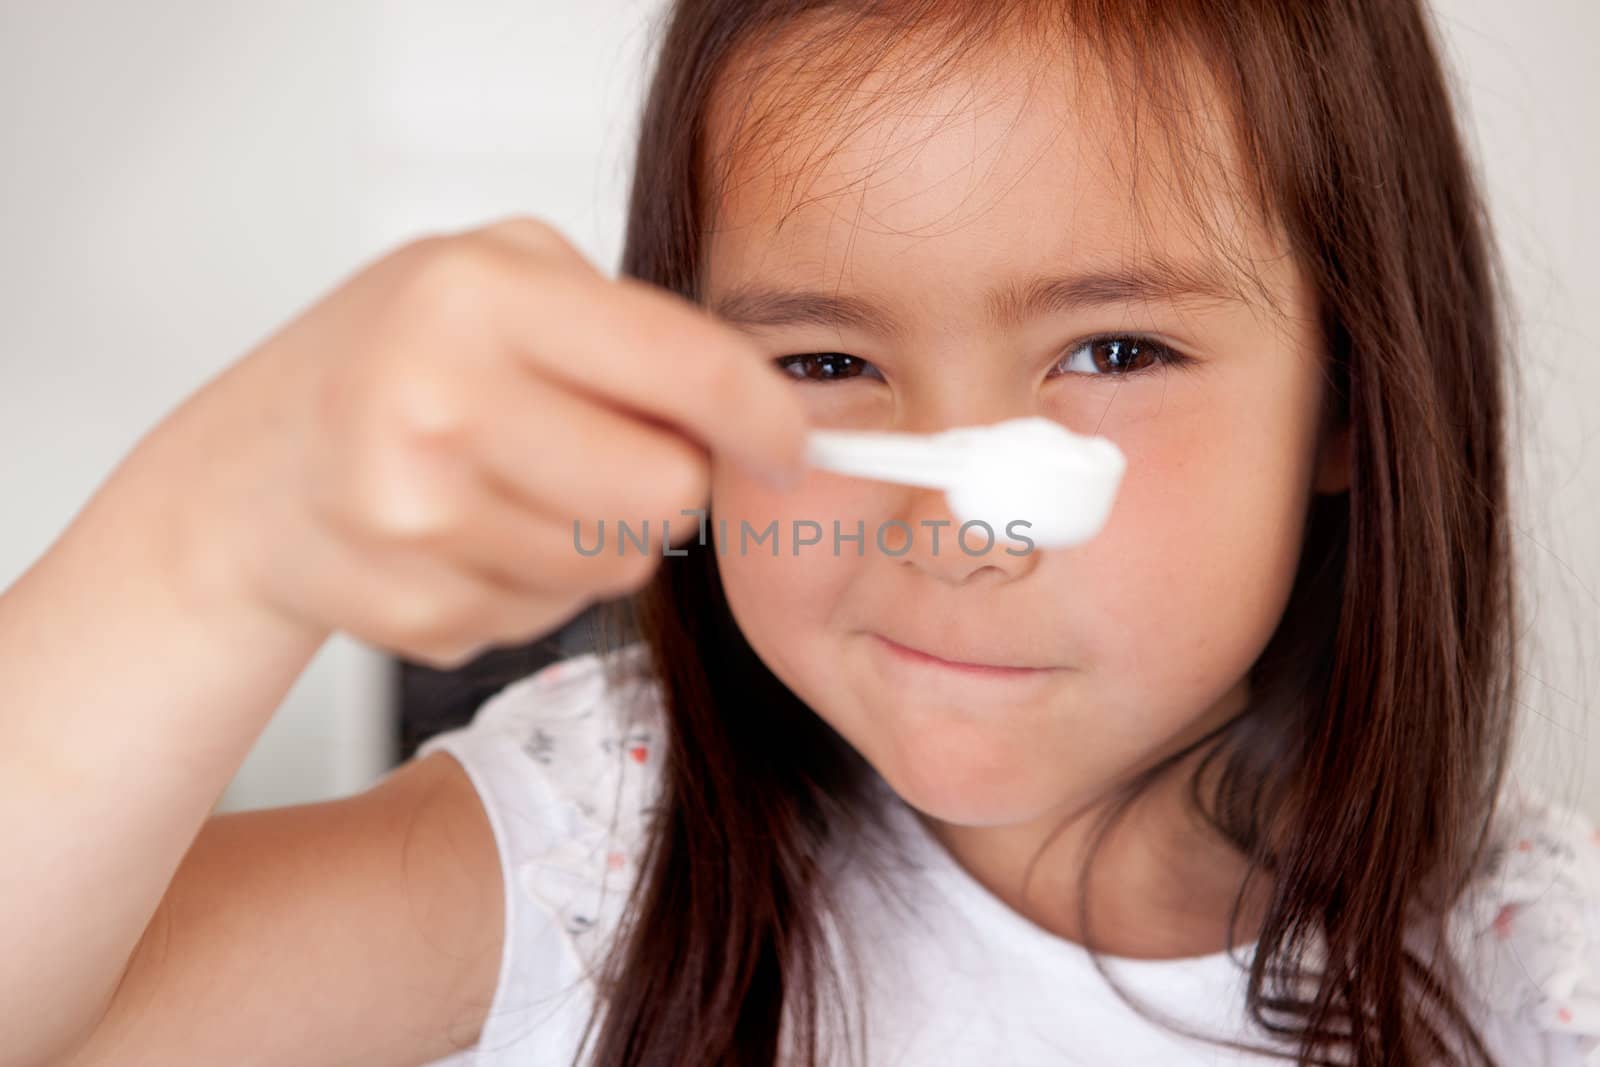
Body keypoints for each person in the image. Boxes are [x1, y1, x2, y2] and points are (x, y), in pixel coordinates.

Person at [4, 1, 1596, 1065]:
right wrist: (211, 545)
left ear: (1348, 397)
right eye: (825, 364)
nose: (941, 525)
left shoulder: (1530, 965)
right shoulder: (609, 849)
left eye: (1114, 354)